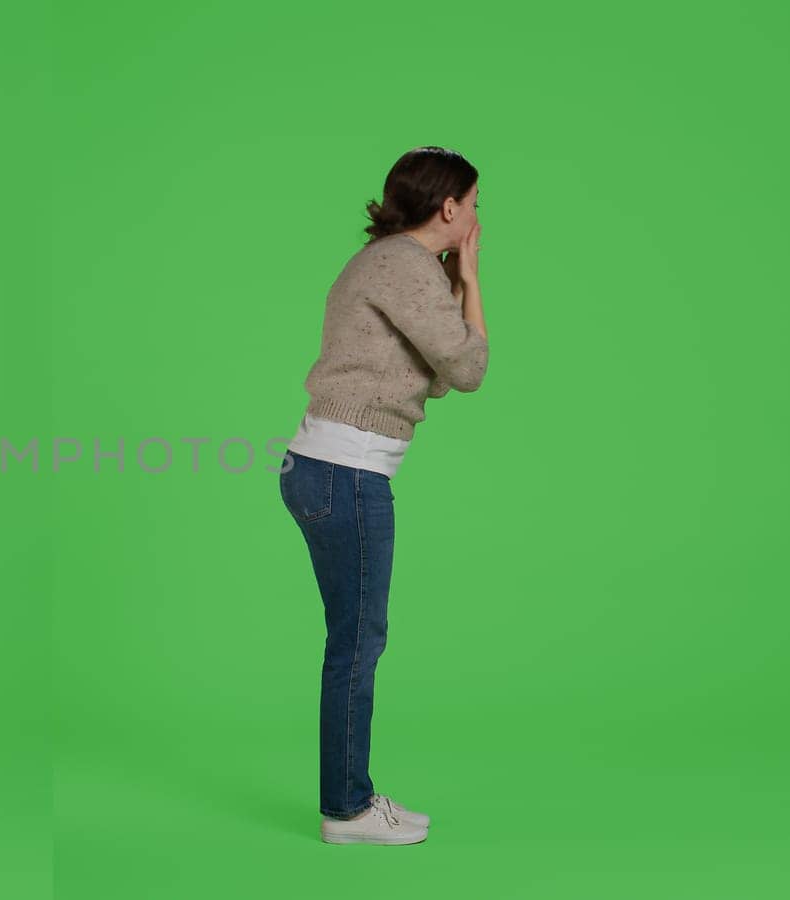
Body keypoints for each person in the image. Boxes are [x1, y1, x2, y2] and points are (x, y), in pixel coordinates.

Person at [278, 146, 489, 845]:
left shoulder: (392, 265)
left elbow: (430, 371)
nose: (478, 217)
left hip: (327, 467)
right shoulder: (405, 266)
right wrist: (473, 276)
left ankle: (352, 798)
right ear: (450, 206)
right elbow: (466, 367)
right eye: (476, 203)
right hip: (347, 472)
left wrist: (452, 286)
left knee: (355, 639)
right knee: (357, 644)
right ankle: (347, 809)